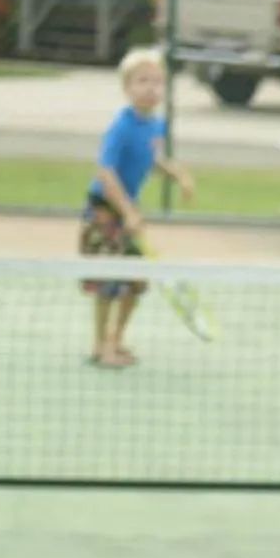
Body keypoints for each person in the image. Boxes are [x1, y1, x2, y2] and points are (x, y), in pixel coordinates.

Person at [80, 46, 191, 369]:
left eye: (157, 82)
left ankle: (116, 339)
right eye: (142, 81)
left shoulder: (156, 126)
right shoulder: (121, 126)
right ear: (127, 87)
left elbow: (151, 160)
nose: (150, 88)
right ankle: (101, 346)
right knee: (107, 281)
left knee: (137, 281)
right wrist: (126, 212)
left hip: (129, 209)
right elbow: (105, 171)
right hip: (104, 208)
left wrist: (177, 175)